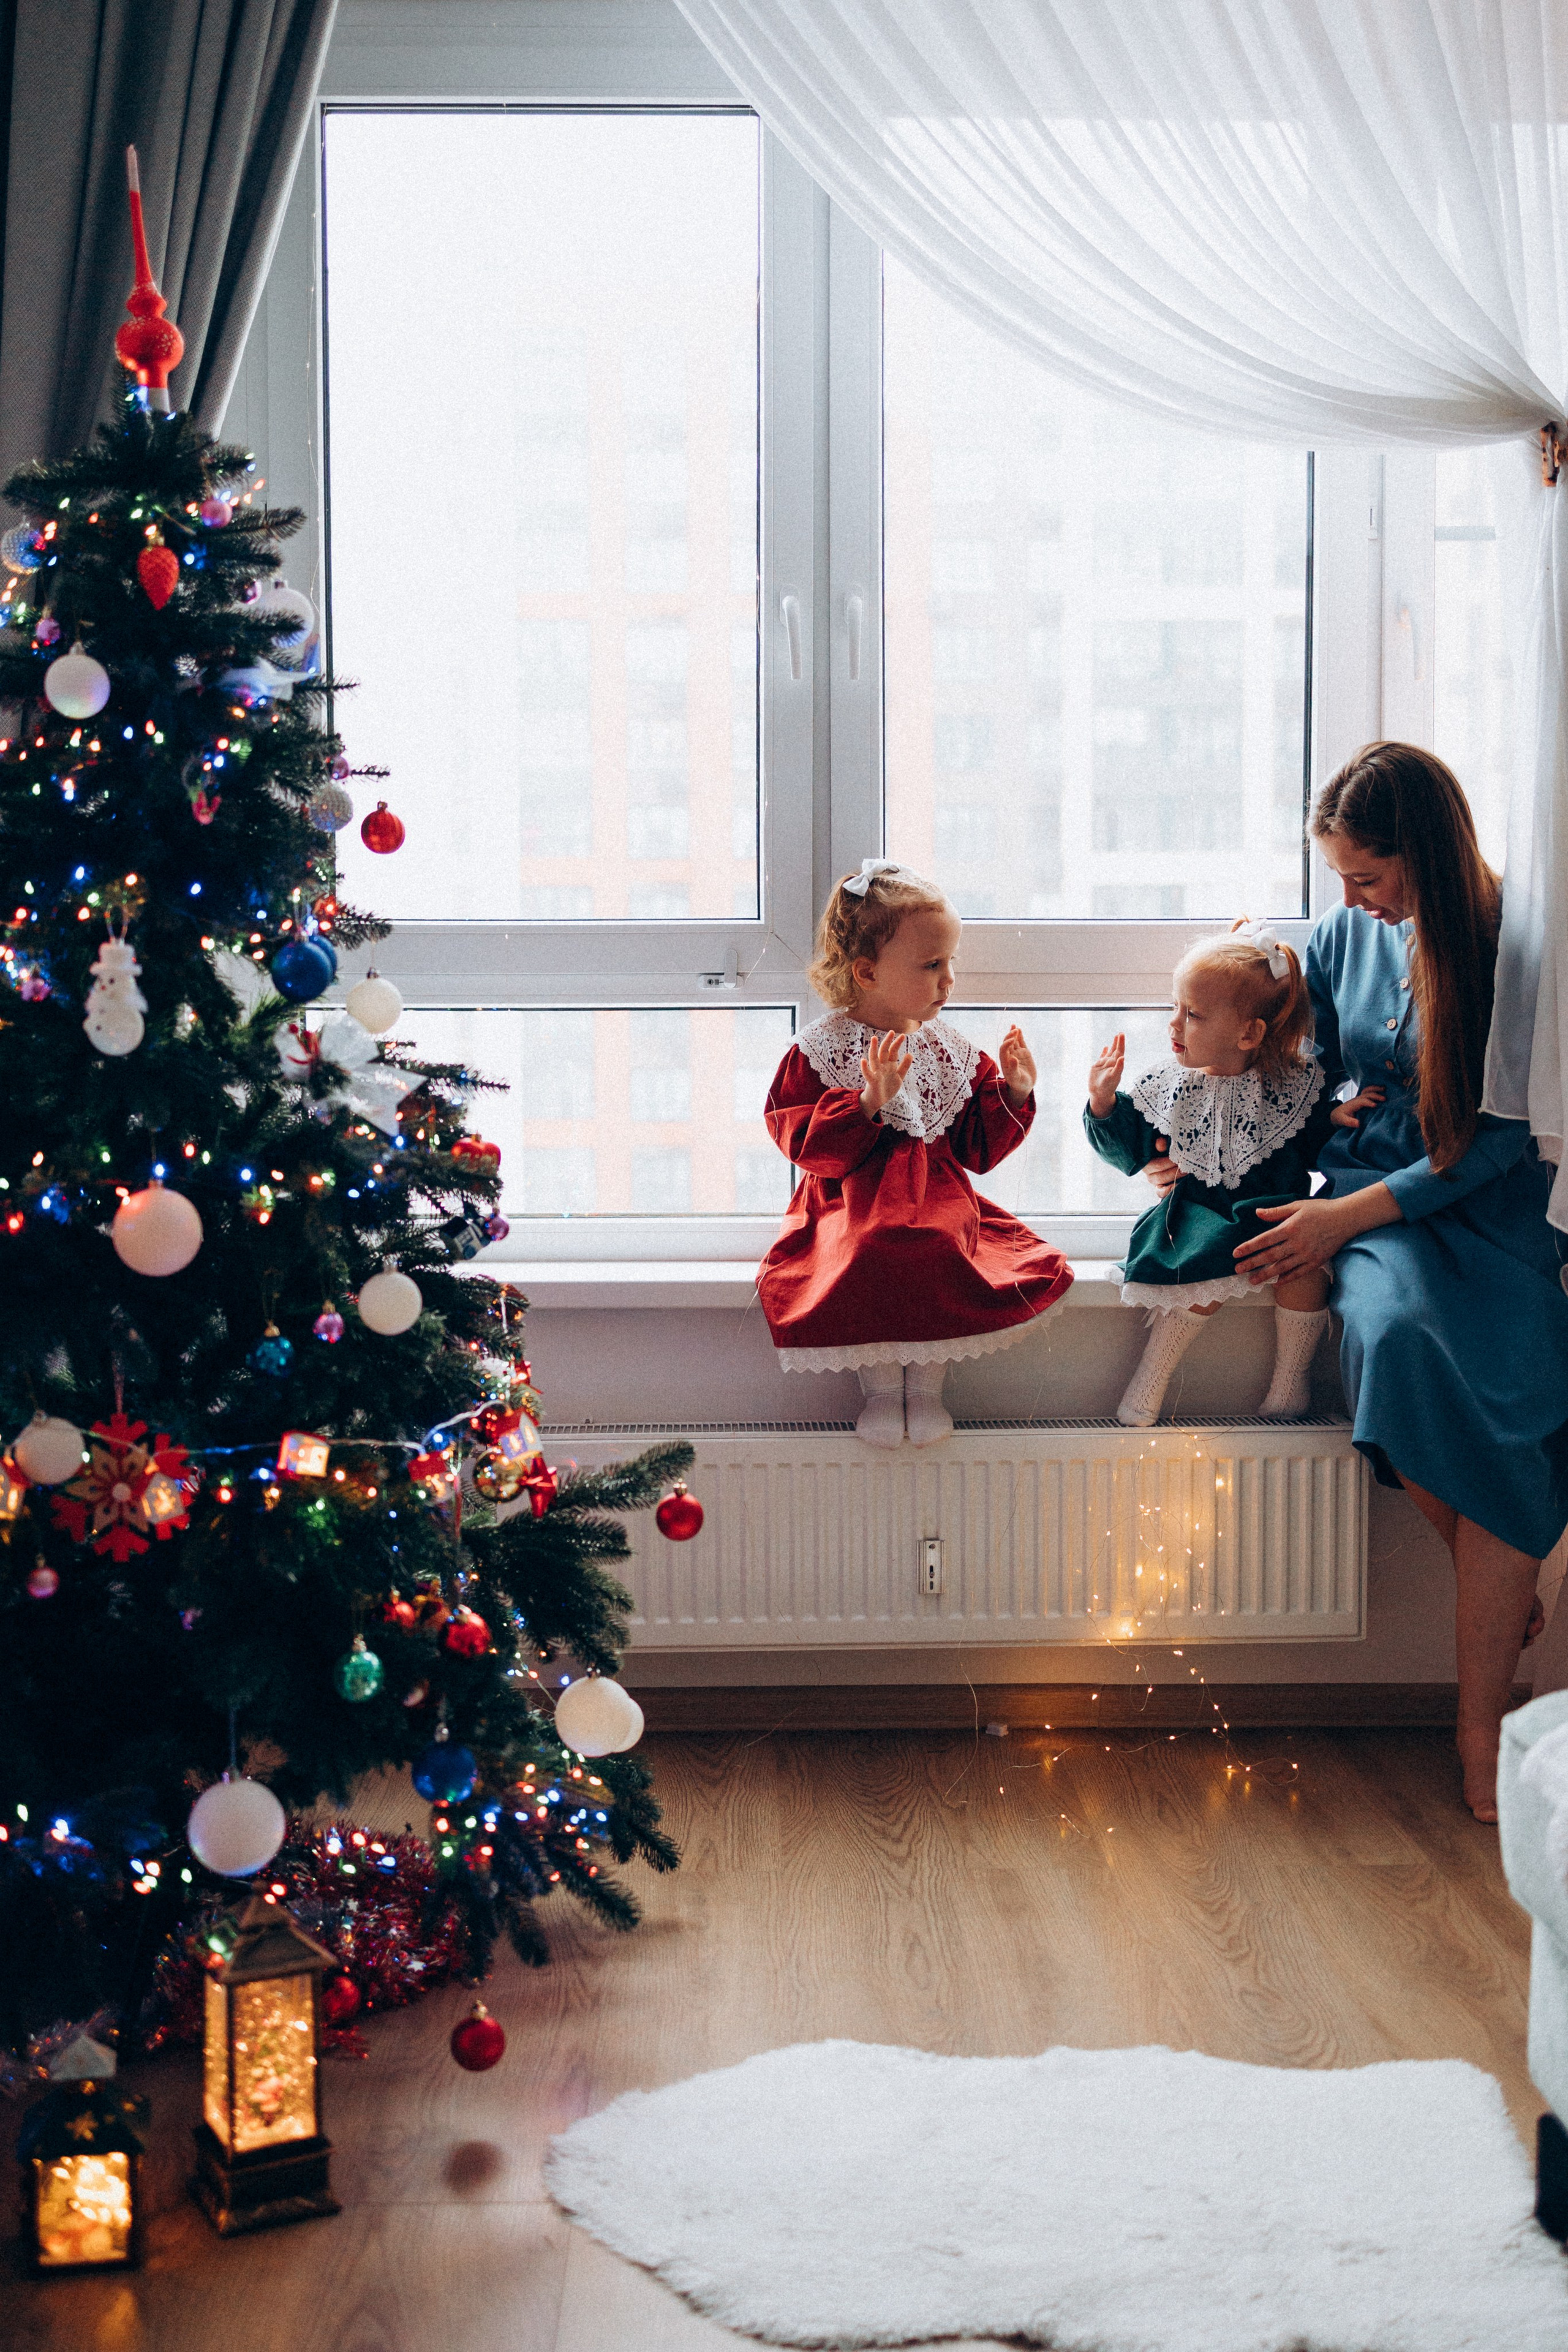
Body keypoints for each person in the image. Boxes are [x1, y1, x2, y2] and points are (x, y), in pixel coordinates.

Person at [1224, 742, 1568, 1820]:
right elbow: (1303, 1070)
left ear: (1423, 855)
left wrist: (1342, 1215)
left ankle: (1481, 1737)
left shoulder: (1517, 949)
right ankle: (1498, 1586)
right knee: (1398, 1342)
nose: (1350, 900)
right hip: (1379, 1217)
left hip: (1488, 1214)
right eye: (1338, 878)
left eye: (1367, 877)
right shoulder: (1337, 938)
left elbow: (1499, 1144)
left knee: (1512, 1408)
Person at [757, 858, 1073, 1447]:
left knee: (940, 1241)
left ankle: (926, 1389)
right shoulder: (821, 1049)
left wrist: (1015, 1091)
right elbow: (797, 1137)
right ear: (868, 972)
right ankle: (881, 1390)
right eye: (932, 965)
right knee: (869, 1247)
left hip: (936, 1196)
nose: (948, 980)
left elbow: (977, 1147)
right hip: (850, 1203)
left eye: (951, 962)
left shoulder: (949, 1049)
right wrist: (867, 1103)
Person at [1084, 921, 1372, 1427]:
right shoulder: (1169, 1087)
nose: (1174, 1025)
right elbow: (1127, 1146)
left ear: (1250, 1033)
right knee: (1202, 1279)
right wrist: (1103, 1103)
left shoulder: (1292, 1085)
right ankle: (1152, 1374)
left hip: (1278, 1218)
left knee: (1306, 1277)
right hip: (1203, 1220)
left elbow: (1310, 1144)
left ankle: (1290, 1385)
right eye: (1175, 1008)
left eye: (1192, 1015)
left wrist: (1336, 1119)